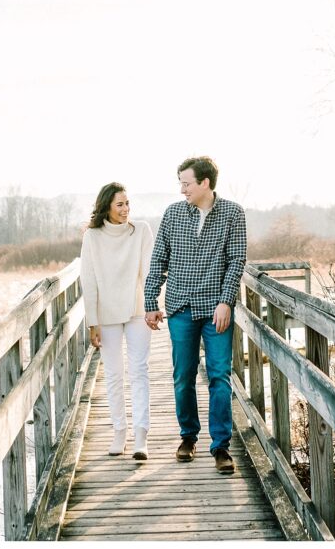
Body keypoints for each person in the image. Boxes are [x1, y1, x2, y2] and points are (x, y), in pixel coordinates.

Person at [144, 156, 247, 474]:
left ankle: (220, 447)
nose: (182, 189)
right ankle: (188, 437)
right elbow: (159, 257)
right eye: (180, 184)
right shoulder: (174, 214)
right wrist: (150, 300)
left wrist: (226, 301)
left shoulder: (232, 213)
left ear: (205, 183)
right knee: (183, 376)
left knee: (219, 377)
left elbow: (237, 259)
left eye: (186, 183)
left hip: (216, 309)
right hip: (180, 308)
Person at [80, 182, 154, 460]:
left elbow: (149, 272)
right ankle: (119, 431)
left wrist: (151, 306)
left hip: (137, 310)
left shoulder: (141, 231)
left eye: (127, 204)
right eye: (119, 204)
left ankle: (141, 436)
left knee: (139, 371)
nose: (125, 209)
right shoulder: (92, 236)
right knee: (113, 374)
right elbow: (88, 279)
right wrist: (92, 321)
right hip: (106, 313)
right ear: (107, 207)